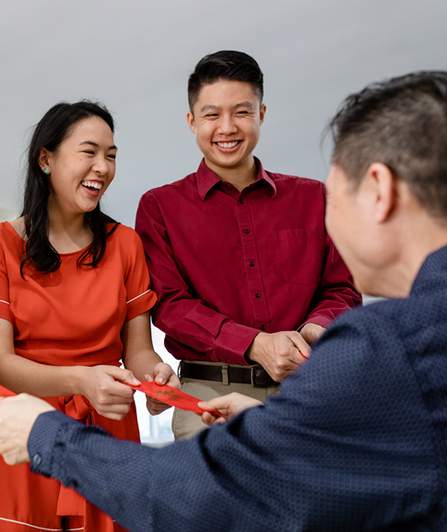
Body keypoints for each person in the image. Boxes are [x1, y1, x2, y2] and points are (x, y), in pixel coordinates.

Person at [0, 70, 447, 530]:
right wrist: (263, 413)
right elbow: (363, 463)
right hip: (207, 398)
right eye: (212, 114)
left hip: (92, 430)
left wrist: (46, 435)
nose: (330, 220)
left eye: (337, 199)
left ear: (378, 190)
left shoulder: (389, 348)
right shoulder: (412, 346)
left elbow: (190, 496)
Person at [0, 101, 179, 531]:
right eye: (89, 151)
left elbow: (138, 351)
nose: (103, 167)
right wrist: (82, 379)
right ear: (46, 159)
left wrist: (158, 377)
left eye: (111, 155)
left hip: (106, 435)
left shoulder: (125, 245)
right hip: (19, 434)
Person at [135, 50, 361, 438]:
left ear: (262, 114)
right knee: (214, 499)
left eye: (242, 112)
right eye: (211, 115)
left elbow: (342, 287)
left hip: (308, 388)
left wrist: (315, 329)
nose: (227, 127)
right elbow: (170, 305)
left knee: (321, 497)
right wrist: (254, 344)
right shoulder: (159, 207)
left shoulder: (313, 198)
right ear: (192, 121)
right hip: (209, 396)